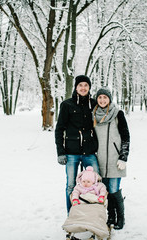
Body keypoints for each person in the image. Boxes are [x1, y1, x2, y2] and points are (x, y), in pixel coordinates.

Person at [55, 75, 99, 214]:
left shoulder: (94, 104)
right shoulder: (67, 104)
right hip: (71, 152)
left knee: (97, 182)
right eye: (80, 85)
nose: (83, 88)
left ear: (89, 87)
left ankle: (95, 214)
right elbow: (59, 129)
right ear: (76, 87)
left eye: (86, 85)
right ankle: (72, 215)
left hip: (89, 152)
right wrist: (60, 152)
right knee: (71, 185)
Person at [92, 87, 130, 230]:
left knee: (114, 189)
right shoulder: (94, 115)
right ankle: (110, 216)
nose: (102, 100)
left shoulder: (118, 114)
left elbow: (126, 136)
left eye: (105, 98)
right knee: (106, 190)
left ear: (109, 99)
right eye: (100, 98)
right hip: (100, 160)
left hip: (115, 160)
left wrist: (123, 157)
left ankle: (121, 218)